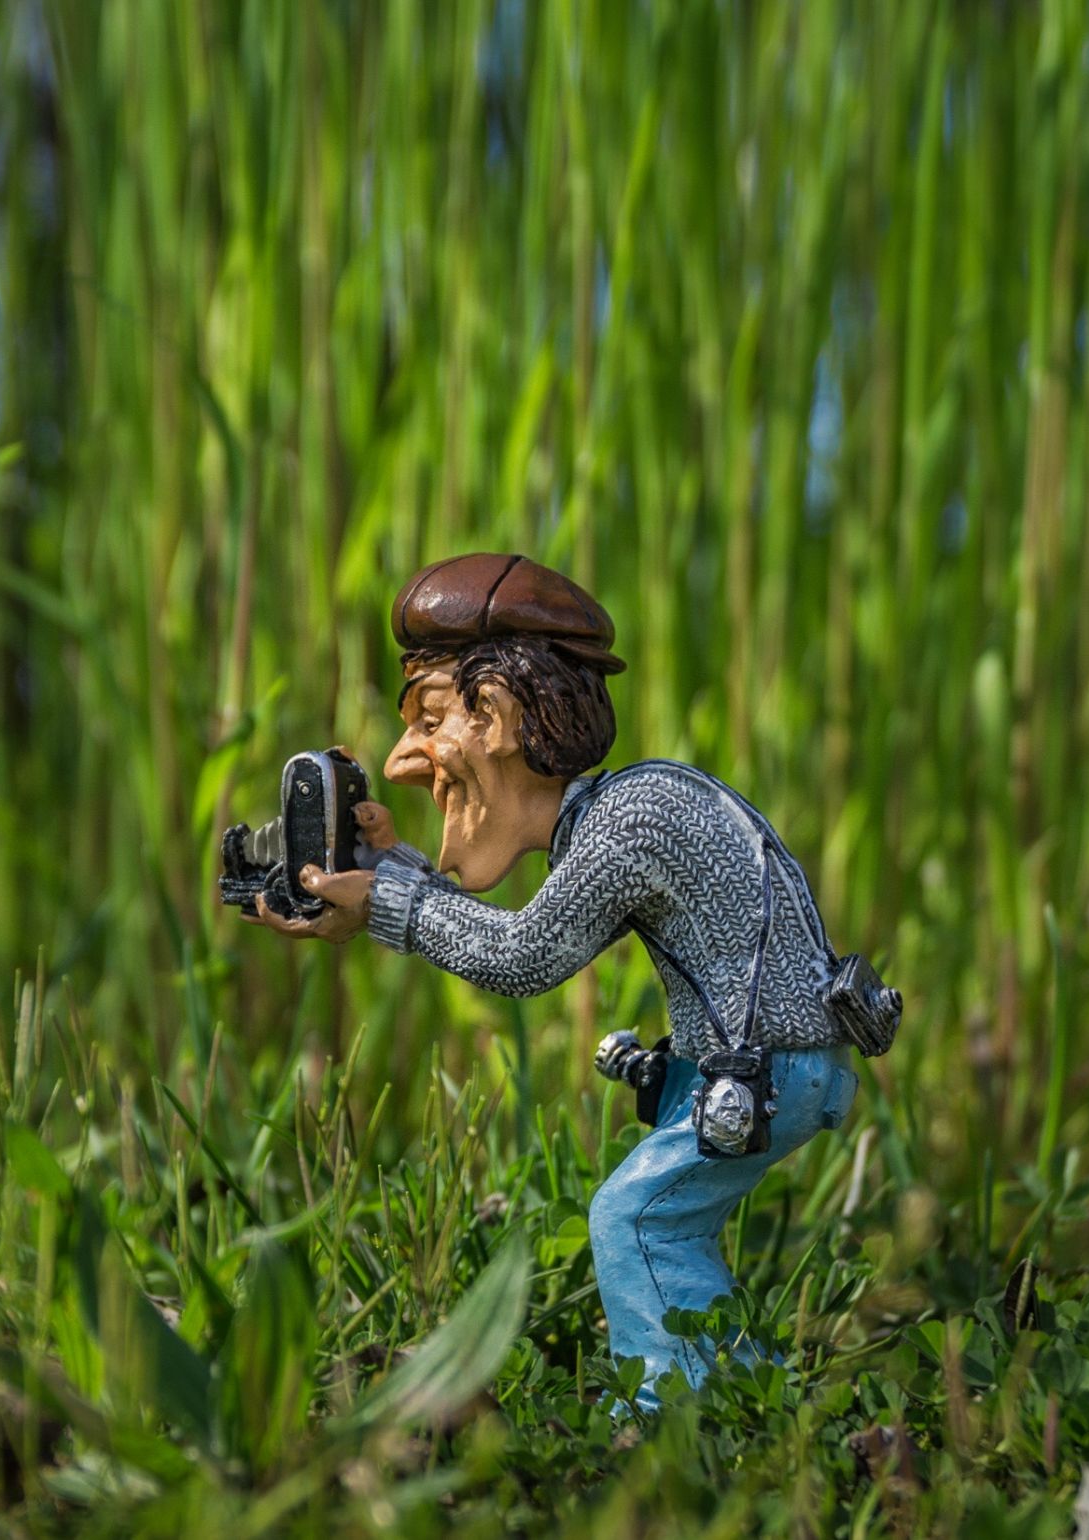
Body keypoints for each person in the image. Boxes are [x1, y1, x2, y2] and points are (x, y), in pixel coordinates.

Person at [239, 552, 872, 1412]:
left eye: (430, 717)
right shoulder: (620, 814)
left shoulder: (631, 822)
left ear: (494, 714)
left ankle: (672, 1411)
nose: (399, 762)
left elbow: (522, 958)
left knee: (635, 1219)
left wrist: (389, 899)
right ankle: (737, 1390)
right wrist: (394, 875)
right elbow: (515, 929)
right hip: (755, 1064)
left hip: (769, 1070)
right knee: (669, 1223)